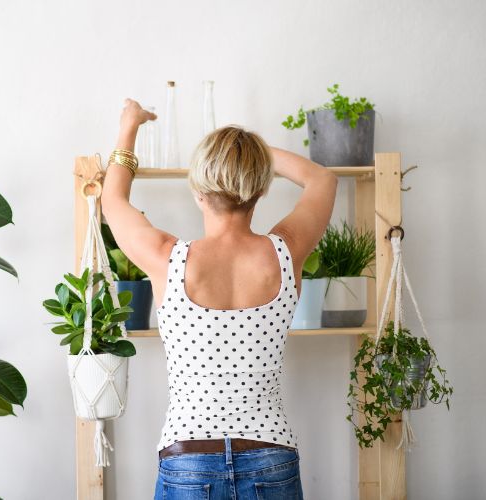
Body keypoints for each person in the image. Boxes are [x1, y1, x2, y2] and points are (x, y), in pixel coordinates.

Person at [101, 98, 337, 500]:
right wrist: (251, 154)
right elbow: (322, 181)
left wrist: (129, 125)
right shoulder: (286, 251)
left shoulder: (166, 259)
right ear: (261, 189)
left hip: (189, 459)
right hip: (270, 456)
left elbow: (113, 201)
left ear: (198, 191)